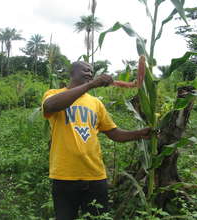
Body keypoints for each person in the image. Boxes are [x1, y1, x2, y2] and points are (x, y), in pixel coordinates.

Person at [42, 61, 152, 220]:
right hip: (64, 176)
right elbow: (50, 106)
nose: (90, 73)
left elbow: (114, 134)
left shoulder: (96, 103)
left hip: (95, 176)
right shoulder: (53, 93)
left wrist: (140, 133)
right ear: (72, 72)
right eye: (86, 70)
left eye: (92, 71)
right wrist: (92, 85)